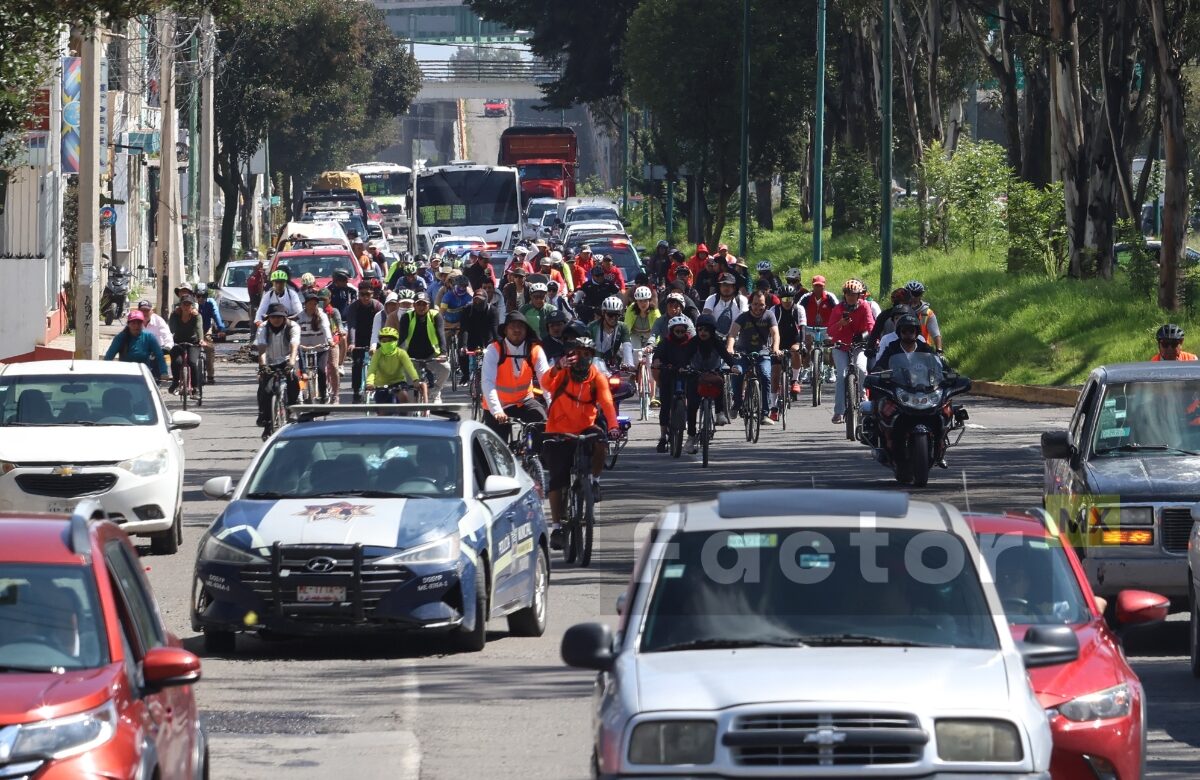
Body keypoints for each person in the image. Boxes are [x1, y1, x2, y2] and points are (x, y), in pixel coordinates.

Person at [540, 334, 620, 548]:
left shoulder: (597, 377)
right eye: (577, 353)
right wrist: (558, 366)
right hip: (558, 431)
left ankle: (593, 481)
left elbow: (607, 402)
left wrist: (613, 426)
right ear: (570, 355)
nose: (582, 358)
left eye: (587, 354)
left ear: (592, 357)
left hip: (585, 427)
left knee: (601, 442)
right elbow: (545, 383)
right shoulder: (562, 372)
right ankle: (557, 526)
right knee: (558, 480)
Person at [482, 311, 552, 441]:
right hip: (499, 404)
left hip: (524, 401)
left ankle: (535, 458)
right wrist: (497, 410)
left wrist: (552, 405)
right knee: (496, 447)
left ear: (526, 330)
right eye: (512, 326)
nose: (517, 329)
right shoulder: (494, 349)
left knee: (543, 425)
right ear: (505, 330)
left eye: (521, 326)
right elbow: (487, 382)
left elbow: (546, 380)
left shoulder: (534, 349)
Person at [726, 291, 782, 425]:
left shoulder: (769, 316)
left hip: (762, 353)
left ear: (766, 305)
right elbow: (732, 334)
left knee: (765, 375)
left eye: (761, 305)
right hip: (743, 352)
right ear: (750, 304)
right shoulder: (743, 317)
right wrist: (730, 348)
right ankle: (737, 402)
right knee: (737, 371)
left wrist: (775, 347)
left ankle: (764, 413)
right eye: (755, 304)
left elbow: (775, 334)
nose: (758, 308)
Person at [827, 279, 876, 425]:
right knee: (842, 375)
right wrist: (840, 324)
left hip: (859, 345)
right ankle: (839, 411)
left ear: (859, 295)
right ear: (844, 294)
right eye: (848, 294)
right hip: (841, 346)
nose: (851, 297)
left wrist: (872, 338)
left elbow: (871, 325)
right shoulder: (837, 309)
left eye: (854, 294)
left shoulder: (865, 306)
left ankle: (862, 396)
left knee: (861, 368)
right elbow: (830, 330)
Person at [685, 312, 737, 443]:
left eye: (706, 330)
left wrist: (734, 366)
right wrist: (682, 367)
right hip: (695, 374)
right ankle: (691, 437)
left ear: (712, 331)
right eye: (700, 329)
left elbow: (726, 356)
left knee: (720, 380)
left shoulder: (717, 342)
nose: (703, 332)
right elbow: (684, 358)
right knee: (692, 405)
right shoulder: (693, 342)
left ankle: (719, 412)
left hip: (713, 373)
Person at [651, 315, 695, 452]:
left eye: (683, 331)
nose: (680, 334)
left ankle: (689, 431)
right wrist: (658, 362)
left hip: (686, 375)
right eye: (678, 331)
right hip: (668, 375)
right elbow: (657, 357)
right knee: (665, 405)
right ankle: (663, 436)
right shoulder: (665, 342)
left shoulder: (691, 343)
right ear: (672, 331)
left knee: (693, 401)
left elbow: (697, 356)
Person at [254, 304, 300, 431]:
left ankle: (292, 408)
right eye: (273, 317)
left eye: (279, 317)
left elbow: (294, 346)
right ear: (268, 317)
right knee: (264, 387)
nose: (276, 319)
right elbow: (262, 348)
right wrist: (263, 366)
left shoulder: (292, 327)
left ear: (285, 317)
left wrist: (291, 363)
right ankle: (265, 419)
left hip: (287, 359)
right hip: (269, 361)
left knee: (293, 380)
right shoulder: (263, 327)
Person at [398, 292, 450, 403]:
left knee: (446, 368)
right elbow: (402, 339)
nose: (421, 307)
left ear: (429, 305)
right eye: (419, 304)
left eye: (424, 304)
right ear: (414, 305)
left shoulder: (435, 316)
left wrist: (443, 353)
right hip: (411, 358)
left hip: (431, 356)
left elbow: (441, 335)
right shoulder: (406, 317)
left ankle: (435, 391)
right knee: (411, 400)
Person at [345, 281, 384, 403]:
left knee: (380, 363)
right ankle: (356, 391)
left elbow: (383, 327)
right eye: (362, 294)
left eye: (368, 294)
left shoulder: (378, 306)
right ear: (358, 295)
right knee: (357, 363)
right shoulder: (353, 307)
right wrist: (352, 343)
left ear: (372, 294)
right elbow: (352, 326)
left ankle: (380, 389)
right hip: (359, 337)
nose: (365, 297)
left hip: (375, 337)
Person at [104, 310, 168, 379]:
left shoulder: (149, 337)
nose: (136, 326)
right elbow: (109, 356)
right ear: (128, 324)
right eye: (133, 323)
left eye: (139, 323)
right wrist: (104, 373)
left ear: (142, 323)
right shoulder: (120, 337)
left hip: (143, 375)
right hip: (125, 375)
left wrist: (164, 372)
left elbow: (159, 355)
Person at [366, 326, 420, 404]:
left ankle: (403, 415)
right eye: (384, 341)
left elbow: (409, 367)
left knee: (404, 396)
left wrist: (415, 379)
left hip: (398, 381)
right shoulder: (377, 353)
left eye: (390, 340)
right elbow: (372, 369)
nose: (387, 343)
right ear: (380, 342)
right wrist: (369, 383)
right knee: (382, 412)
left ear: (396, 341)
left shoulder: (401, 353)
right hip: (381, 384)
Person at [298, 292, 333, 402]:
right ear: (305, 304)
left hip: (320, 348)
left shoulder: (322, 315)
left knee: (321, 370)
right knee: (300, 371)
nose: (313, 306)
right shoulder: (300, 316)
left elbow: (326, 327)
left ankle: (323, 394)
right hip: (303, 348)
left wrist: (330, 340)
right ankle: (301, 393)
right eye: (310, 303)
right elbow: (294, 331)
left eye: (315, 304)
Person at [167, 296, 205, 395]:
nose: (186, 307)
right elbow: (171, 329)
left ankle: (195, 386)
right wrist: (174, 315)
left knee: (192, 362)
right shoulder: (175, 315)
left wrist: (201, 339)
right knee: (177, 362)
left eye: (188, 304)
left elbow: (199, 328)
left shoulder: (196, 316)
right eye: (184, 304)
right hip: (178, 342)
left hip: (193, 343)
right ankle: (175, 382)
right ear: (180, 305)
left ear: (192, 306)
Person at [774, 285, 807, 398]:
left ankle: (794, 380)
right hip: (779, 340)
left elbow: (802, 328)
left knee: (795, 350)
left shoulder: (799, 309)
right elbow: (769, 329)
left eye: (790, 299)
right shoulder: (774, 310)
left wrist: (802, 343)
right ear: (780, 299)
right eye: (784, 299)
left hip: (794, 339)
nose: (787, 302)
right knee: (775, 366)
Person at [589, 295, 635, 371]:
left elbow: (627, 345)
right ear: (603, 313)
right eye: (610, 314)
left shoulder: (623, 327)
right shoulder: (592, 327)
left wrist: (629, 364)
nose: (614, 318)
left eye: (617, 315)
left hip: (612, 363)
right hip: (593, 364)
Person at [702, 273, 749, 339]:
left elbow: (745, 319)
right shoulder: (711, 299)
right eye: (724, 285)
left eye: (729, 285)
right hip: (714, 338)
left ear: (734, 287)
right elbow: (705, 317)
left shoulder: (741, 300)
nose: (726, 288)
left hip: (736, 339)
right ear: (719, 287)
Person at [195, 285, 225, 383]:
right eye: (198, 296)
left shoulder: (211, 303)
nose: (200, 298)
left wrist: (221, 329)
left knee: (209, 349)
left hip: (206, 329)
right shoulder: (191, 304)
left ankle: (210, 375)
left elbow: (216, 315)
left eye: (203, 296)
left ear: (207, 296)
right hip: (193, 330)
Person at [318, 287, 344, 400]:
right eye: (320, 299)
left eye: (324, 299)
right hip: (318, 341)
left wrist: (341, 330)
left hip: (332, 341)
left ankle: (336, 394)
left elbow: (339, 323)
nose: (322, 302)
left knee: (333, 366)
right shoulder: (314, 311)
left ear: (329, 299)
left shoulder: (333, 311)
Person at [906, 280, 942, 351]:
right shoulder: (901, 310)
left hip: (923, 349)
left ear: (921, 295)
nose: (913, 296)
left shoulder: (927, 313)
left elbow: (936, 334)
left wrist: (939, 350)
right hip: (903, 348)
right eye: (910, 294)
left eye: (916, 294)